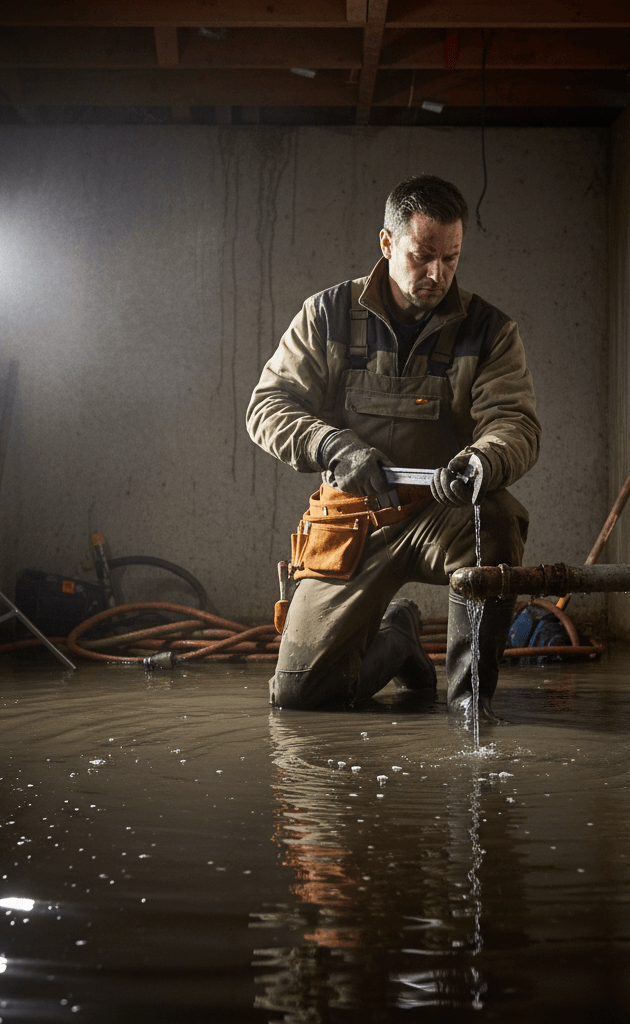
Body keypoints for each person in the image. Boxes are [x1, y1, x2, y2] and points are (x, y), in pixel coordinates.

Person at [246, 175, 540, 718]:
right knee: (299, 697)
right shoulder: (327, 315)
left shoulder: (490, 331)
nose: (438, 274)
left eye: (451, 259)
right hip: (354, 522)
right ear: (387, 244)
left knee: (496, 519)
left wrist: (479, 460)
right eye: (423, 256)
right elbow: (268, 407)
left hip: (442, 512)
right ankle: (400, 640)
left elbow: (515, 424)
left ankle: (469, 704)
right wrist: (333, 446)